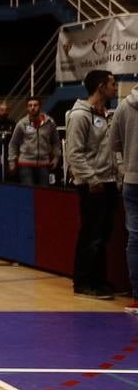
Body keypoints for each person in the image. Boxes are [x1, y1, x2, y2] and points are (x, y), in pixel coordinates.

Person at [69, 69, 119, 300]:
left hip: (108, 182)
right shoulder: (80, 115)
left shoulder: (104, 113)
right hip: (92, 185)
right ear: (101, 86)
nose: (116, 87)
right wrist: (92, 179)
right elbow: (74, 154)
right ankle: (83, 282)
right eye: (113, 83)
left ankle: (100, 281)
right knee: (91, 234)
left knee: (103, 234)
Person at [107, 87, 138, 314]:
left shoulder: (124, 106)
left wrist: (122, 169)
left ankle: (137, 298)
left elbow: (113, 145)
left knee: (135, 238)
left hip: (132, 181)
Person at [8, 96, 60, 186]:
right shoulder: (22, 123)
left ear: (40, 106)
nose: (32, 108)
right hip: (25, 164)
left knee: (44, 194)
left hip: (44, 164)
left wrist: (56, 158)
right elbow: (13, 144)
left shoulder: (50, 122)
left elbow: (56, 142)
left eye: (35, 105)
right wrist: (12, 161)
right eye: (30, 105)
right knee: (28, 193)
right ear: (27, 107)